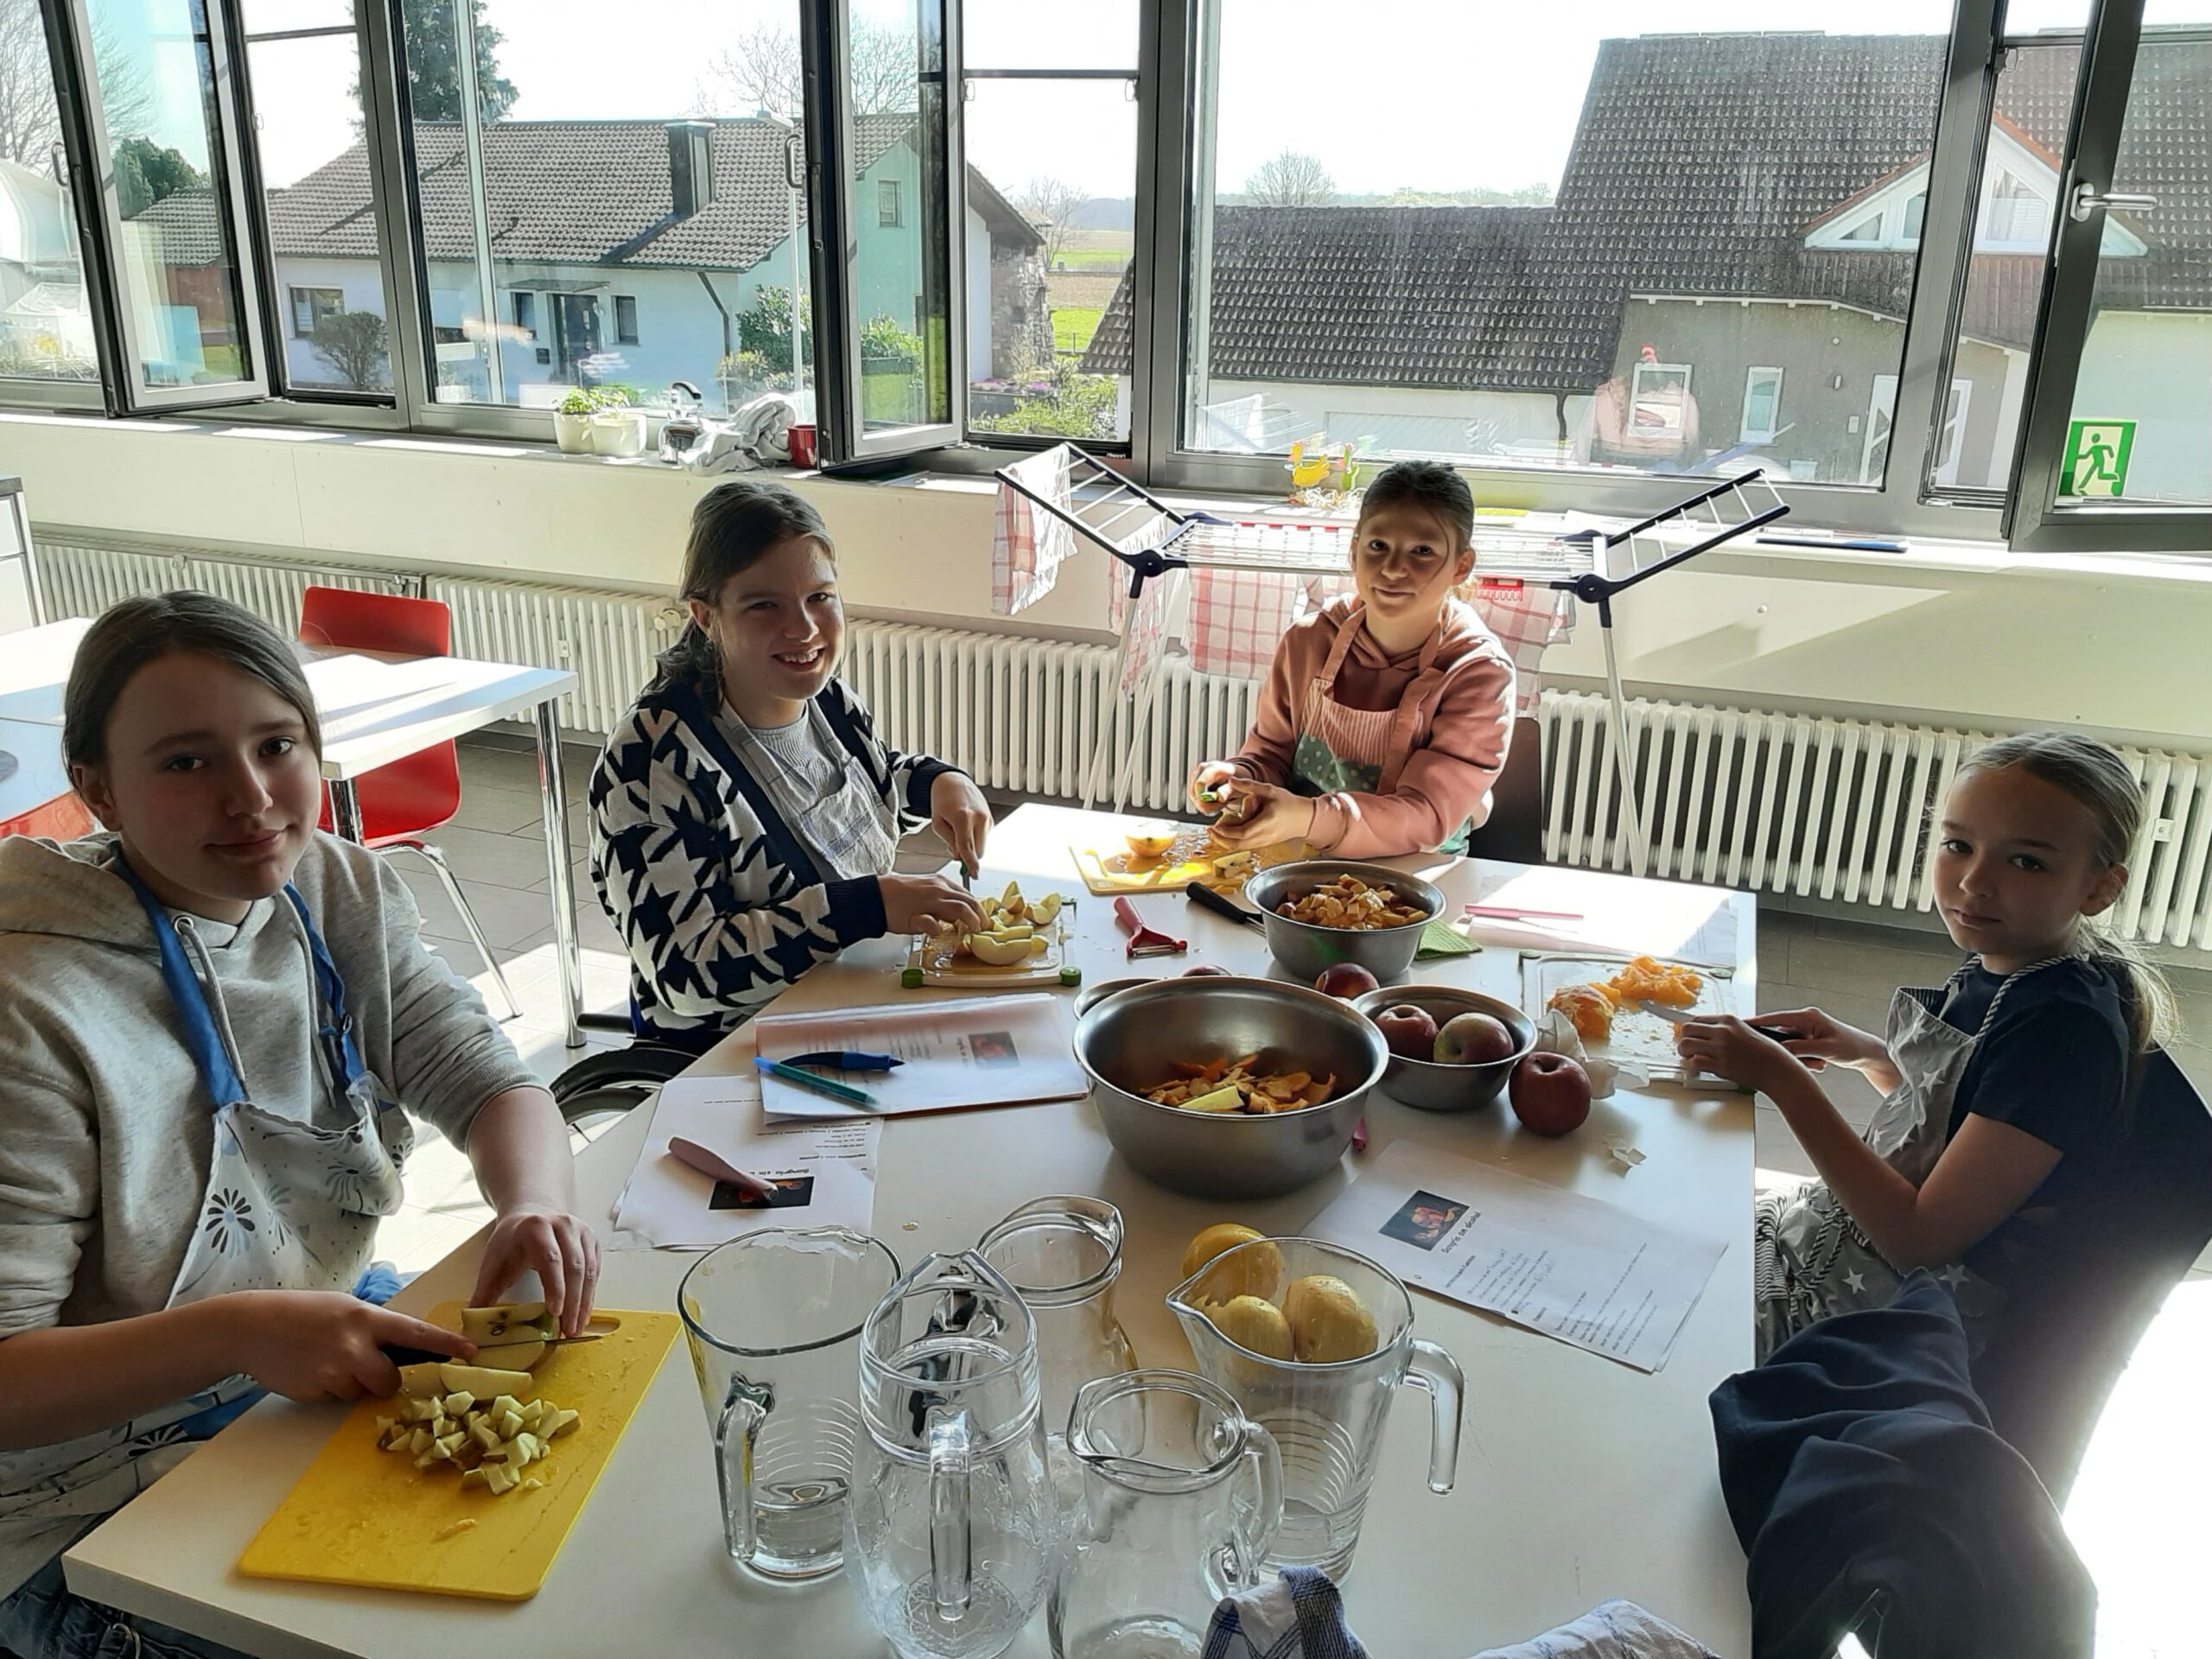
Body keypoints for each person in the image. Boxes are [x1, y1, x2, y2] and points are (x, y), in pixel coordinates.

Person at [0, 593, 596, 1659]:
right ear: (97, 788)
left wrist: (535, 1201)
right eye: (186, 762)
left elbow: (486, 1078)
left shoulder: (332, 886)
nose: (251, 797)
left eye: (276, 745)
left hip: (293, 1356)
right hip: (76, 1502)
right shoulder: (30, 1005)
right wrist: (237, 1334)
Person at [1676, 733, 2189, 1369]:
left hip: (1885, 1319)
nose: (1974, 882)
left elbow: (1918, 1238)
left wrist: (1784, 1082)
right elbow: (1960, 1123)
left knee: (1652, 1303)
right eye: (1958, 846)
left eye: (2026, 862)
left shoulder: (2062, 1035)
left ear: (2099, 889)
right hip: (1839, 1246)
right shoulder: (2011, 963)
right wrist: (1866, 1053)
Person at [591, 480, 990, 1052]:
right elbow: (683, 971)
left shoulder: (826, 699)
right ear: (705, 616)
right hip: (735, 1051)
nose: (803, 629)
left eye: (820, 597)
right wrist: (867, 907)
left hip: (853, 1000)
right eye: (763, 605)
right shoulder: (653, 761)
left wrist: (939, 784)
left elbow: (863, 785)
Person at [1185, 460, 1515, 858]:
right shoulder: (1307, 641)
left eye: (1423, 551)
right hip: (1299, 857)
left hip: (1419, 869)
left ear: (1461, 566)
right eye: (1378, 546)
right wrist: (1240, 776)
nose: (1393, 569)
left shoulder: (1477, 672)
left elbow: (1427, 813)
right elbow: (1272, 754)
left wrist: (1309, 817)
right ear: (1354, 550)